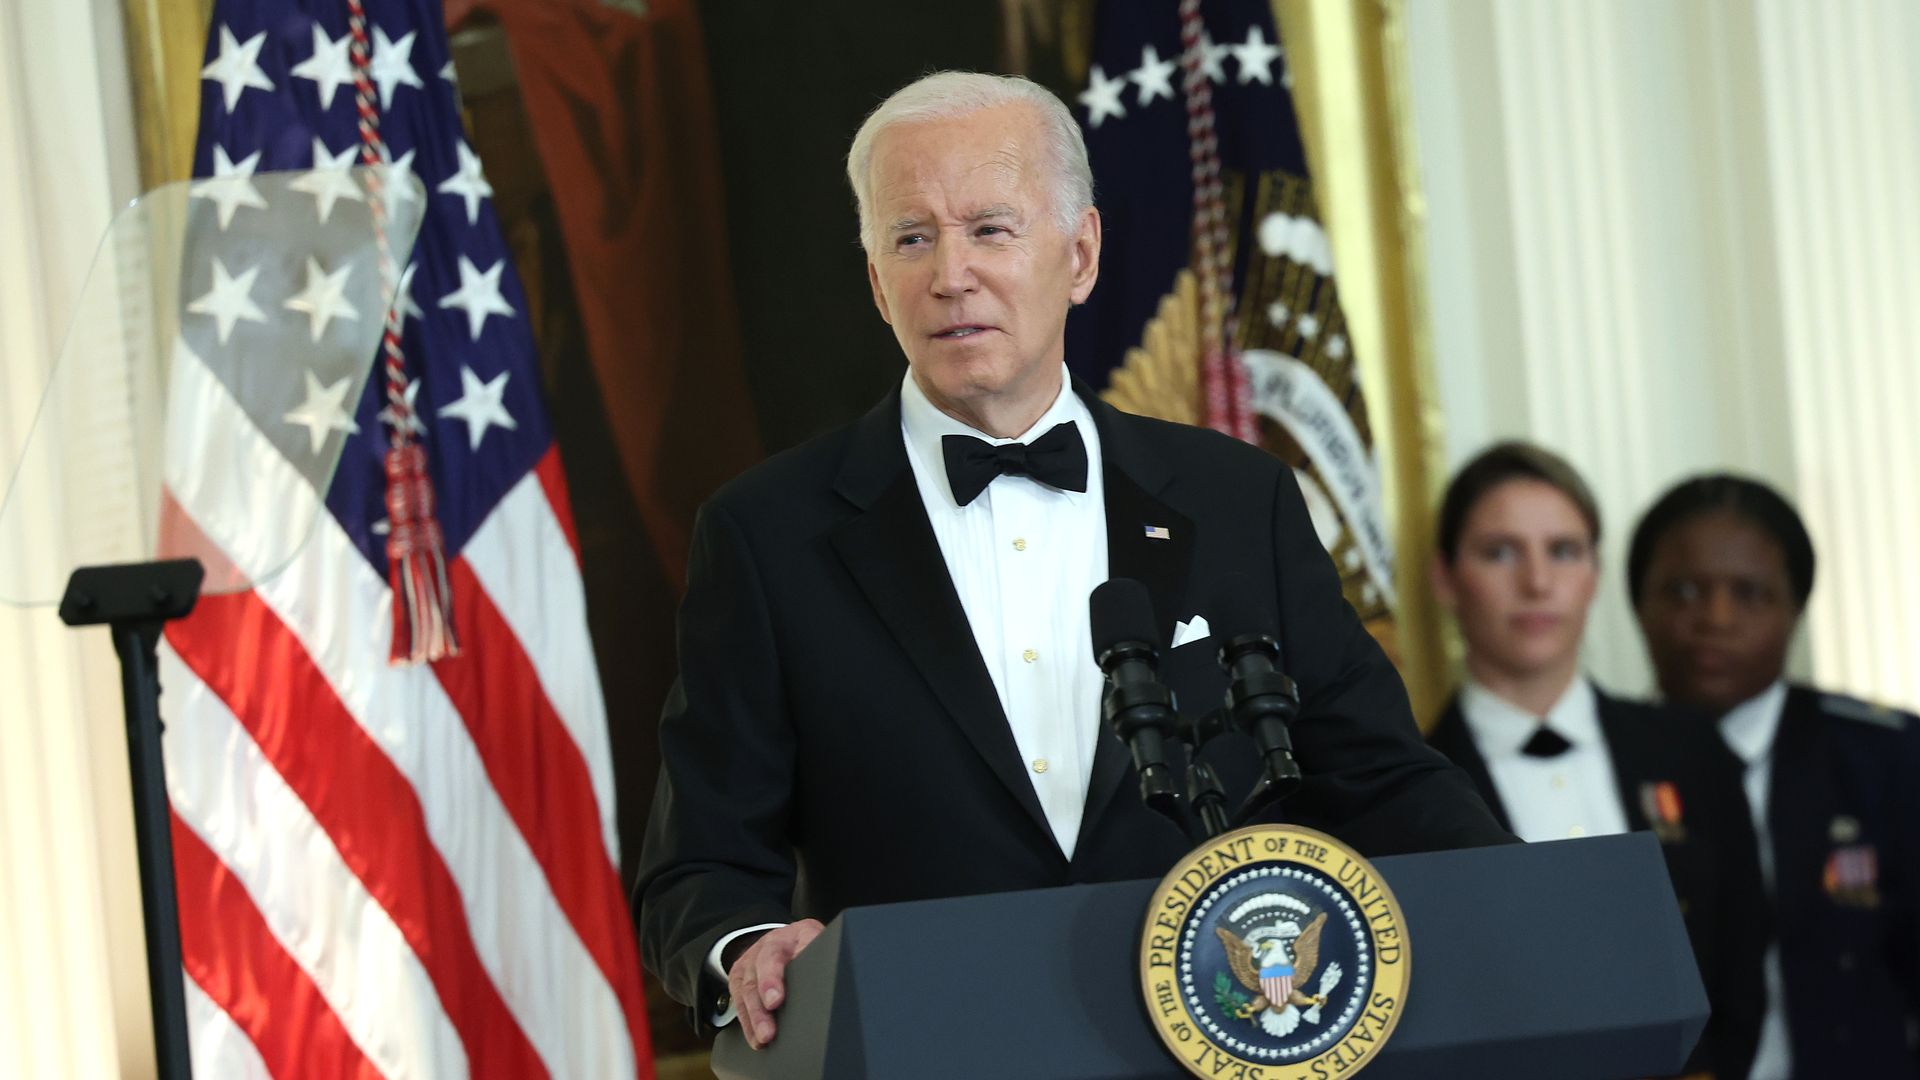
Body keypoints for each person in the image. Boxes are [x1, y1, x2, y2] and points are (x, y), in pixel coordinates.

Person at [631, 70, 1513, 1050]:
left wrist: (1534, 911)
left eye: (990, 229)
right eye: (911, 239)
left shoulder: (1237, 501)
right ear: (877, 282)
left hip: (1212, 1047)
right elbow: (698, 864)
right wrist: (744, 948)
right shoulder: (767, 535)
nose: (951, 274)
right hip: (931, 1051)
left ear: (1081, 254)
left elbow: (1382, 780)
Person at [1423, 442, 1766, 1078]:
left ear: (1595, 574)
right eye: (1500, 552)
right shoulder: (1407, 792)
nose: (1537, 583)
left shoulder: (1692, 754)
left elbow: (1741, 972)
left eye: (1563, 550)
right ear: (1445, 578)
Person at [1629, 473, 1920, 1079]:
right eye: (1684, 591)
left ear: (1795, 610)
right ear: (1640, 606)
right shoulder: (1606, 763)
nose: (1716, 618)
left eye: (1751, 593)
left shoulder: (1885, 758)